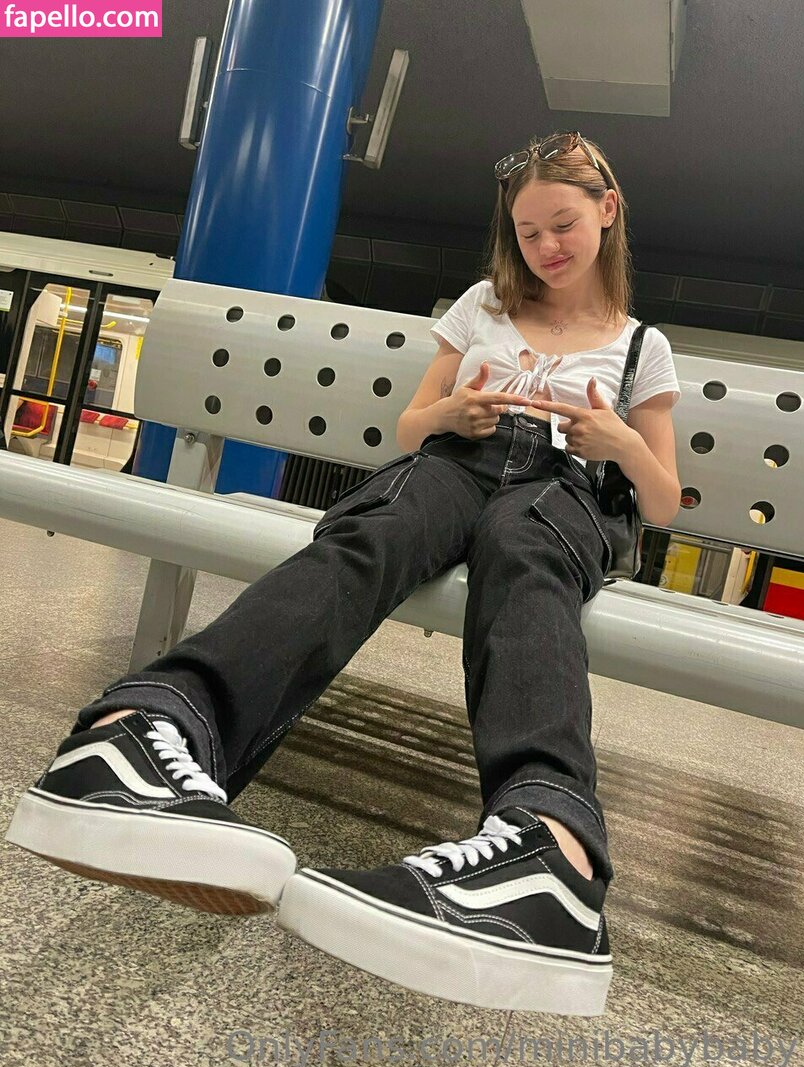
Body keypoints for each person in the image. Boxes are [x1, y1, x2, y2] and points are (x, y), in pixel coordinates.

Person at [5, 131, 681, 1016]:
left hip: (563, 484)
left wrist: (618, 441)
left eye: (563, 225)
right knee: (375, 534)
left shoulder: (641, 347)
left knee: (526, 556)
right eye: (527, 233)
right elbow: (411, 428)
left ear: (608, 212)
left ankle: (551, 849)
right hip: (463, 456)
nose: (546, 247)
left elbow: (662, 499)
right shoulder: (484, 304)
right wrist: (455, 411)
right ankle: (143, 727)